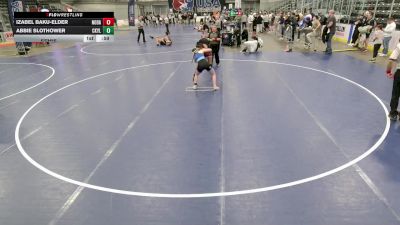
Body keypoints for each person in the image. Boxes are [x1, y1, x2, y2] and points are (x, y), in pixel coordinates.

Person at [386, 41, 400, 121]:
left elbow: (391, 60)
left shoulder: (399, 47)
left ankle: (393, 114)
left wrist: (388, 71)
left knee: (395, 94)